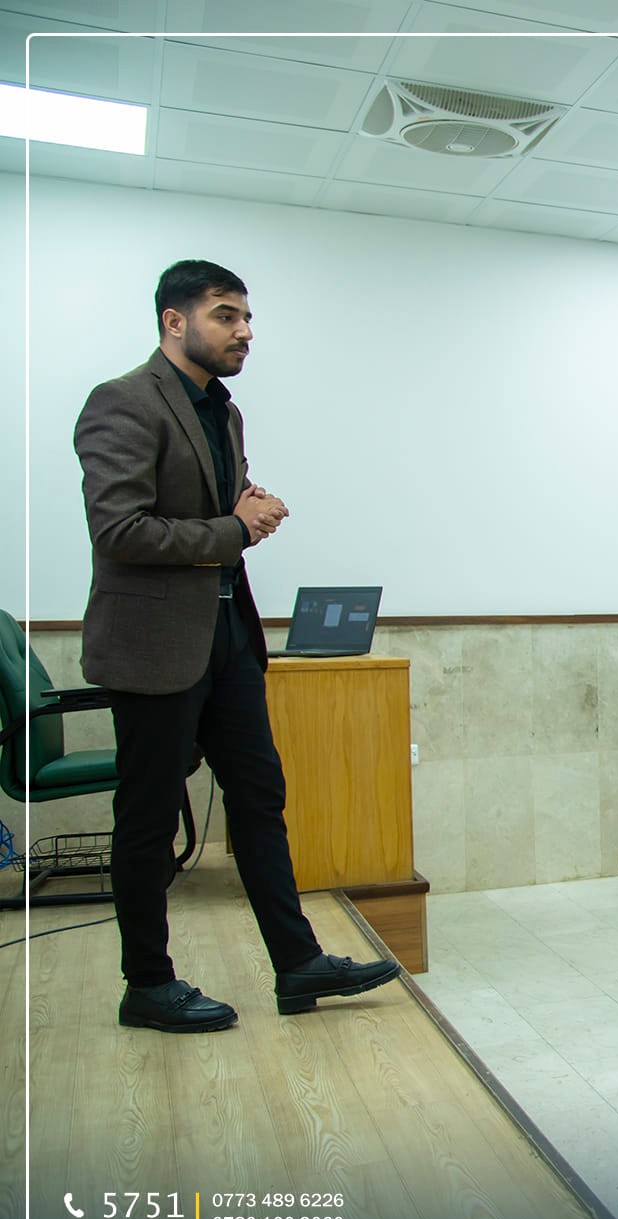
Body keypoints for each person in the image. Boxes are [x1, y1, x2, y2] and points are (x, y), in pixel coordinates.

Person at [74, 260, 400, 1033]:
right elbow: (119, 530)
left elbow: (212, 512)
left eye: (247, 318)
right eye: (226, 315)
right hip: (154, 645)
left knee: (260, 798)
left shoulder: (224, 412)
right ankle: (147, 984)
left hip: (228, 636)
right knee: (149, 818)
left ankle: (298, 963)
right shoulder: (122, 401)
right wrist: (233, 527)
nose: (245, 331)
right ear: (174, 322)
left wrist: (248, 506)